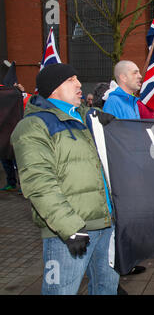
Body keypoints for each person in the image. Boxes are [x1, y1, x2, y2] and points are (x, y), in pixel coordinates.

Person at [10, 63, 119, 294]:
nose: (79, 84)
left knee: (107, 289)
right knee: (60, 291)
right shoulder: (33, 126)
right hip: (69, 234)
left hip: (108, 225)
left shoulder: (88, 120)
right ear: (53, 89)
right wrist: (69, 228)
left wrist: (96, 119)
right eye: (71, 80)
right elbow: (39, 184)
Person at [102, 60, 149, 279]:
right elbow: (115, 142)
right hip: (122, 174)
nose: (140, 75)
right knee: (119, 225)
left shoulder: (131, 102)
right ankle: (113, 276)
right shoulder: (114, 103)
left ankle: (125, 265)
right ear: (122, 78)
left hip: (132, 170)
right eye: (135, 72)